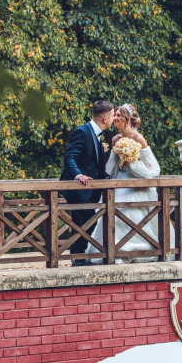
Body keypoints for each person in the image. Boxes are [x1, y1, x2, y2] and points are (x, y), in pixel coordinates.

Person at [98, 102, 174, 262]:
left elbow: (154, 169)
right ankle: (112, 251)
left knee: (128, 214)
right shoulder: (116, 139)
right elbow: (111, 168)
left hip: (136, 185)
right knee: (112, 211)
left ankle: (136, 250)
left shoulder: (138, 138)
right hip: (120, 183)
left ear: (127, 119)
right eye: (115, 115)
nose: (115, 118)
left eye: (118, 115)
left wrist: (132, 164)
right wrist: (104, 182)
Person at [60, 100, 115, 265]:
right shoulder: (82, 132)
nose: (113, 119)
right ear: (105, 119)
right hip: (78, 188)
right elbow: (69, 157)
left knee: (80, 223)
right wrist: (78, 175)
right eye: (112, 115)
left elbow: (93, 164)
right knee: (90, 221)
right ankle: (78, 257)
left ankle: (77, 257)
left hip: (89, 189)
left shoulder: (95, 133)